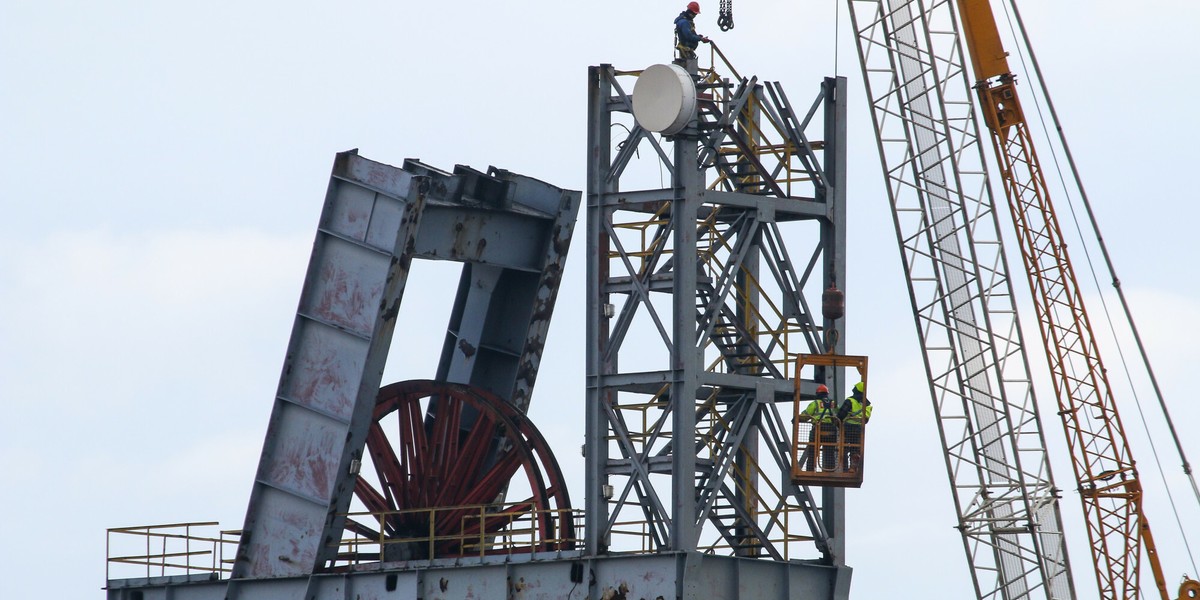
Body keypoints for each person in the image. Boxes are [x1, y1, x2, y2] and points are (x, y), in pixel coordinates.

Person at [798, 384, 839, 471]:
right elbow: (839, 415)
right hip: (831, 430)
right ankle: (830, 470)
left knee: (812, 450)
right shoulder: (834, 404)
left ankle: (810, 469)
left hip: (818, 429)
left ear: (817, 394)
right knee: (830, 452)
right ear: (827, 394)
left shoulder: (815, 404)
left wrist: (797, 419)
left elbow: (806, 415)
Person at [837, 381, 872, 471]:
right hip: (858, 429)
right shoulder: (867, 405)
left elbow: (841, 414)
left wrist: (837, 423)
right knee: (855, 448)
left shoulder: (850, 401)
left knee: (843, 447)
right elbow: (866, 419)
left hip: (847, 427)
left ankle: (844, 468)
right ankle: (853, 468)